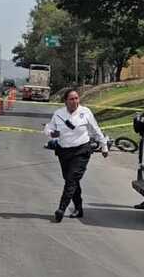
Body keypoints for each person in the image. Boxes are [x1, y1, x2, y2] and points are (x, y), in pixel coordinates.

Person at [44, 89, 107, 222]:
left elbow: (95, 129)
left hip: (81, 150)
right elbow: (49, 128)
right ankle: (78, 208)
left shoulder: (85, 112)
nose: (75, 102)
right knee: (70, 180)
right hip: (64, 151)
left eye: (77, 98)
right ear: (66, 101)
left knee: (71, 179)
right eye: (71, 99)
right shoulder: (59, 114)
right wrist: (51, 133)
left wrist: (104, 145)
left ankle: (61, 208)